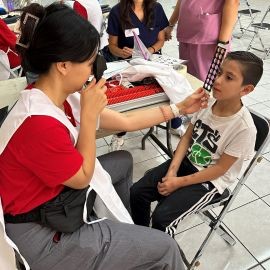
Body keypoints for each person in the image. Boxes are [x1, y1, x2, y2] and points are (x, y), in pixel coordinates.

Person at [0, 3, 209, 270]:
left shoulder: (52, 93)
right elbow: (82, 177)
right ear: (63, 65)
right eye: (89, 64)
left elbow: (126, 121)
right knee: (164, 247)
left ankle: (126, 243)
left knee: (122, 161)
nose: (92, 72)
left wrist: (180, 108)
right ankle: (130, 249)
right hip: (40, 233)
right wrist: (88, 118)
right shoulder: (37, 123)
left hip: (54, 202)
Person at [130, 51, 263, 237]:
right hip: (187, 163)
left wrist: (177, 183)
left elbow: (219, 170)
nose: (217, 80)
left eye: (229, 77)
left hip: (211, 181)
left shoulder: (244, 129)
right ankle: (142, 238)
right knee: (137, 192)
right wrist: (171, 171)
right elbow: (186, 138)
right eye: (219, 72)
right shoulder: (208, 103)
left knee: (162, 219)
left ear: (246, 90)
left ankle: (162, 259)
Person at [105, 0, 169, 151]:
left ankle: (175, 123)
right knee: (128, 100)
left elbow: (161, 40)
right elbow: (112, 46)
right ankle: (119, 134)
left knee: (165, 91)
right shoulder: (117, 11)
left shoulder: (156, 8)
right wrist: (121, 52)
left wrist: (151, 50)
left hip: (151, 61)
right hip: (127, 65)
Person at [165, 0, 239, 82]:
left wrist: (223, 42)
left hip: (208, 38)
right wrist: (170, 25)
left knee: (206, 83)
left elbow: (233, 2)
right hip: (187, 31)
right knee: (188, 78)